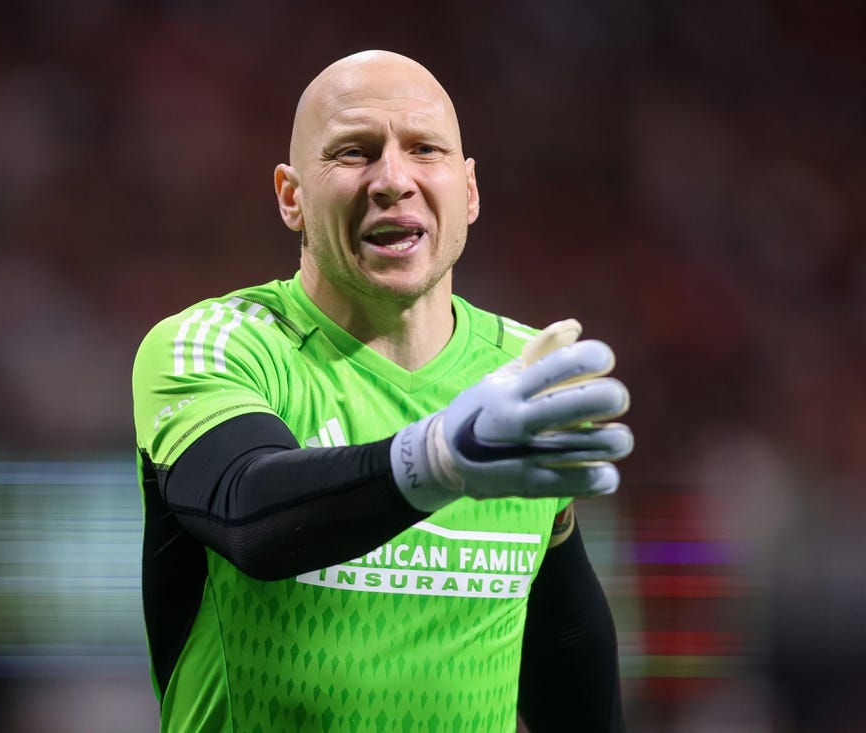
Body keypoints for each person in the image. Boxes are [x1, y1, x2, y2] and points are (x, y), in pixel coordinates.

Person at [132, 49, 633, 733]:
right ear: (291, 197)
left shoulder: (524, 371)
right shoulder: (220, 344)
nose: (393, 180)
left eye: (424, 149)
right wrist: (439, 456)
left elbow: (567, 647)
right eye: (353, 153)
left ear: (470, 191)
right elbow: (251, 515)